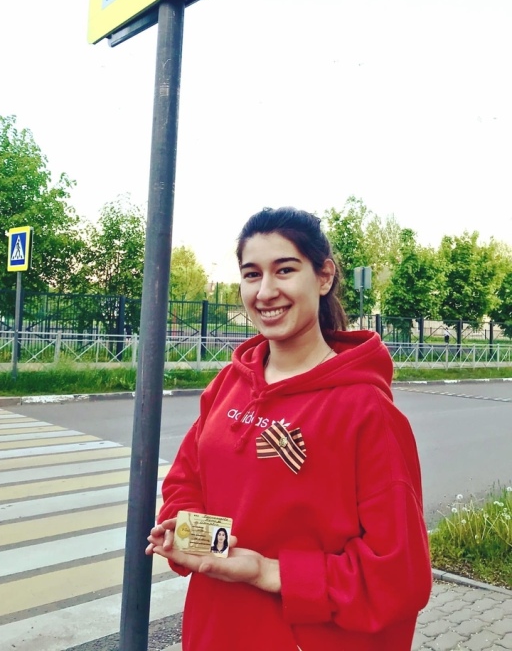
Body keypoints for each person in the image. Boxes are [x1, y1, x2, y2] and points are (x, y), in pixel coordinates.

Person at [146, 207, 432, 651]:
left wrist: (266, 571)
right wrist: (196, 539)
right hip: (215, 630)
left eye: (284, 270)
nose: (265, 292)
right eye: (251, 274)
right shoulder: (229, 383)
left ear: (324, 277)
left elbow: (398, 574)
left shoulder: (367, 409)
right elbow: (187, 480)